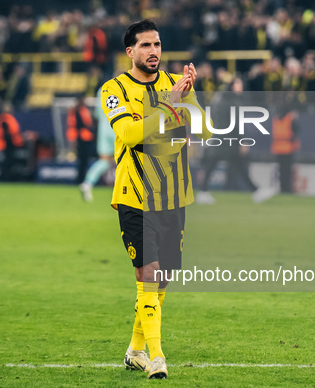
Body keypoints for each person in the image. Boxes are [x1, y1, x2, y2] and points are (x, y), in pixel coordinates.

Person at [100, 19, 211, 379]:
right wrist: (170, 104)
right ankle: (157, 356)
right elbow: (131, 134)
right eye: (145, 45)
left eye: (158, 44)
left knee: (160, 278)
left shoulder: (173, 84)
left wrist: (191, 95)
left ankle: (135, 350)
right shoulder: (113, 90)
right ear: (130, 51)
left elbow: (205, 132)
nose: (154, 51)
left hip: (174, 195)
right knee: (146, 273)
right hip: (135, 195)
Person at [196, 77, 258, 204]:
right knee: (223, 164)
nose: (241, 87)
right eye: (238, 84)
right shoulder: (233, 101)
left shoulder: (220, 99)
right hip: (228, 140)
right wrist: (243, 140)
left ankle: (255, 190)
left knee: (216, 163)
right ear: (232, 86)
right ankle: (255, 191)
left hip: (220, 138)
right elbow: (237, 124)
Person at [79, 89, 116, 202]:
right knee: (126, 158)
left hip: (103, 129)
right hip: (116, 127)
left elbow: (97, 114)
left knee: (104, 161)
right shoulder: (124, 86)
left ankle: (87, 183)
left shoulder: (101, 90)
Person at [67, 94, 96, 185]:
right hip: (82, 138)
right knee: (82, 160)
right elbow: (77, 125)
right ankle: (80, 179)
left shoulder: (83, 110)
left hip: (86, 138)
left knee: (84, 160)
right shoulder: (76, 111)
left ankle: (82, 178)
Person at [271, 107, 300, 193]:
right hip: (287, 149)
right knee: (287, 171)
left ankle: (282, 188)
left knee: (281, 170)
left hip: (277, 149)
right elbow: (297, 129)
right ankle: (286, 189)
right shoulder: (290, 119)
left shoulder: (275, 119)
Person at [0, 102, 24, 181]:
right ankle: (3, 179)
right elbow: (7, 133)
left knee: (5, 164)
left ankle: (5, 178)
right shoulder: (4, 118)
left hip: (7, 145)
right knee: (4, 164)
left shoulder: (3, 118)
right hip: (4, 145)